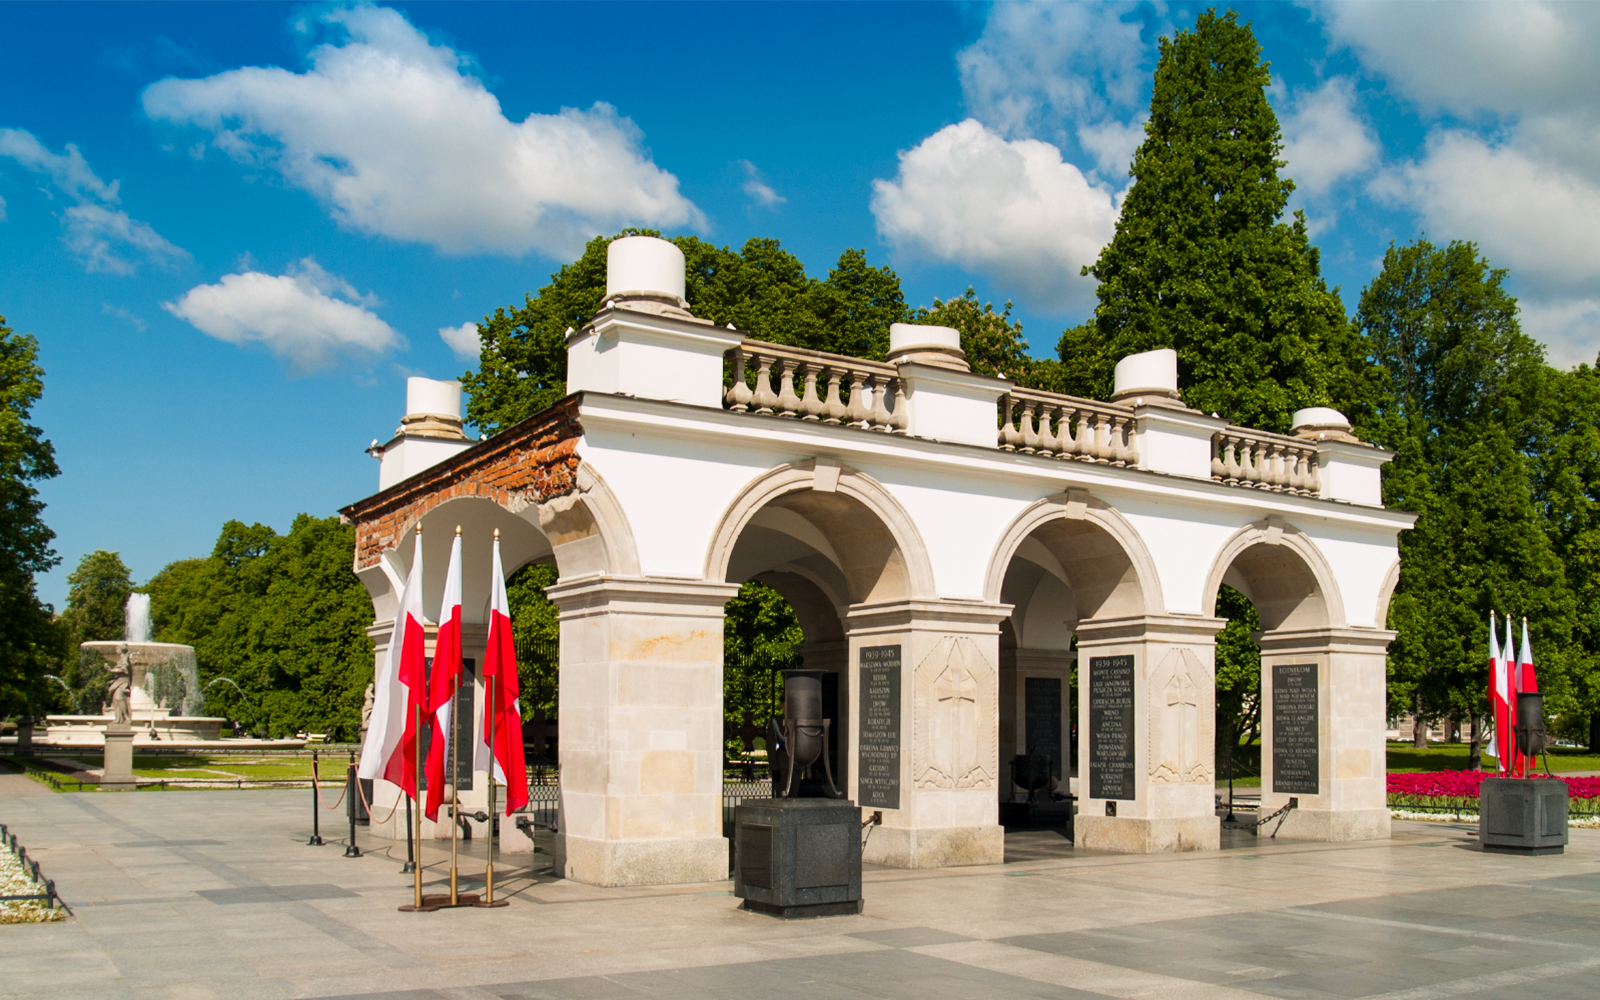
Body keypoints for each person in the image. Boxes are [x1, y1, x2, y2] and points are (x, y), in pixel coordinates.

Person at [107, 644, 134, 727]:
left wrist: (111, 670)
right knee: (115, 700)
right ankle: (119, 719)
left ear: (121, 650)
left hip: (123, 682)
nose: (116, 650)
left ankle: (126, 717)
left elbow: (124, 669)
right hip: (118, 681)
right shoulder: (121, 659)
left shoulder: (125, 658)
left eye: (117, 648)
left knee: (119, 698)